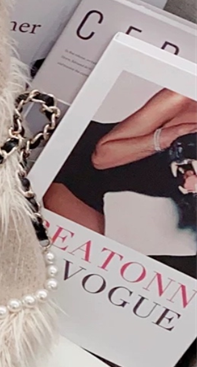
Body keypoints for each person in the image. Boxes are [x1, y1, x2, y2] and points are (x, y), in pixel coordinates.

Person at [44, 88, 197, 275]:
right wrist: (175, 134)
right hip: (79, 165)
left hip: (110, 189)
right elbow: (101, 157)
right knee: (77, 265)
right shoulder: (181, 99)